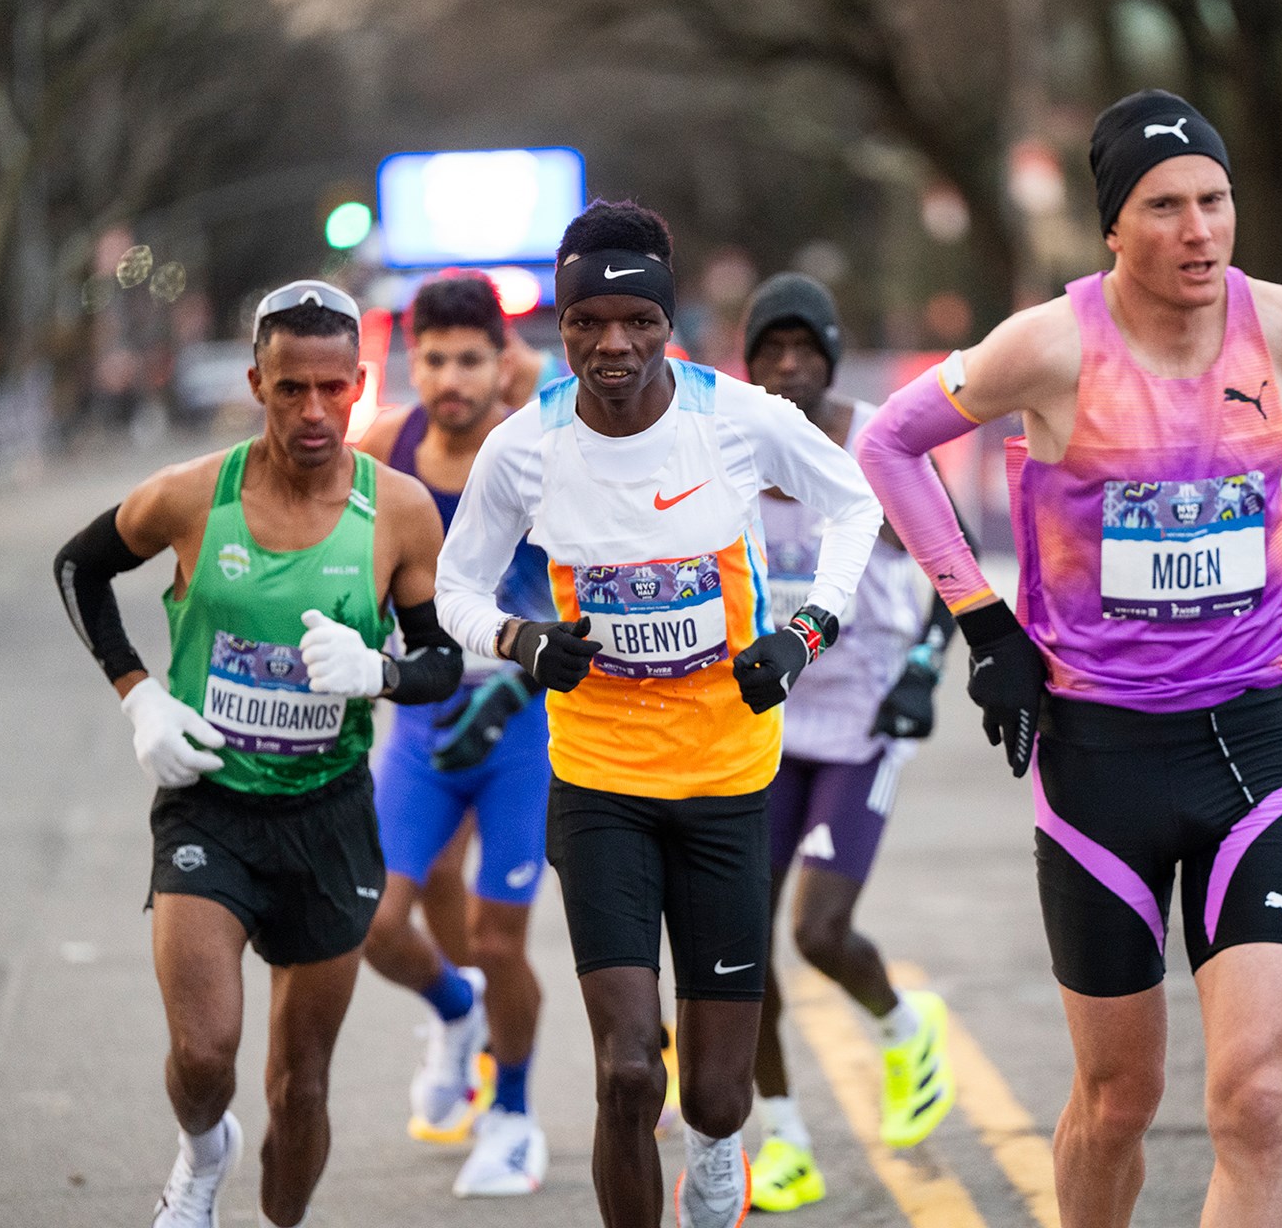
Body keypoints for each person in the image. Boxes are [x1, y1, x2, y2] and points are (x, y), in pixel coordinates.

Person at [859, 89, 1282, 1227]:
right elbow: (889, 443)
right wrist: (983, 621)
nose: (1200, 229)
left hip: (1249, 742)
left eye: (1215, 200)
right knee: (1118, 1100)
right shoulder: (1047, 345)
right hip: (1098, 759)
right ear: (1112, 228)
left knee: (1256, 1099)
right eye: (1165, 206)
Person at [433, 200, 882, 1228]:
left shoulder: (739, 419)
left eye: (637, 320)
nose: (613, 345)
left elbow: (856, 504)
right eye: (587, 322)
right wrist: (518, 638)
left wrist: (807, 630)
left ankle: (718, 1156)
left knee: (716, 1098)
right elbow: (456, 590)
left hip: (727, 781)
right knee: (630, 1071)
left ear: (669, 323)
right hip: (601, 782)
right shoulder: (525, 446)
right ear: (559, 326)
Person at [51, 280, 463, 1228]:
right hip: (212, 805)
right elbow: (80, 568)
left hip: (329, 816)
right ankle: (202, 1157)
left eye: (332, 389)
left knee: (301, 1085)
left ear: (358, 384)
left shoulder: (399, 511)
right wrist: (140, 696)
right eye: (290, 389)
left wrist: (379, 673)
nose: (313, 411)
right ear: (256, 385)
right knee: (205, 1055)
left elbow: (441, 662)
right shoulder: (193, 495)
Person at [738, 273, 963, 1212]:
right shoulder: (734, 449)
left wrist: (922, 672)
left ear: (832, 356)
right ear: (749, 364)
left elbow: (957, 574)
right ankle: (785, 1138)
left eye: (806, 349)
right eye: (771, 351)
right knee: (739, 941)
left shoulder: (878, 445)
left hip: (863, 721)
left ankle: (906, 1029)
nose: (789, 366)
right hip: (767, 723)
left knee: (817, 932)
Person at [353, 273, 553, 1195]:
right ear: (412, 360)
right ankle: (454, 1007)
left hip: (521, 725)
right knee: (371, 922)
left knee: (498, 939)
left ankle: (511, 1113)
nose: (450, 379)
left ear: (500, 361)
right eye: (433, 359)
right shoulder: (386, 446)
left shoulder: (538, 446)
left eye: (471, 359)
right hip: (422, 723)